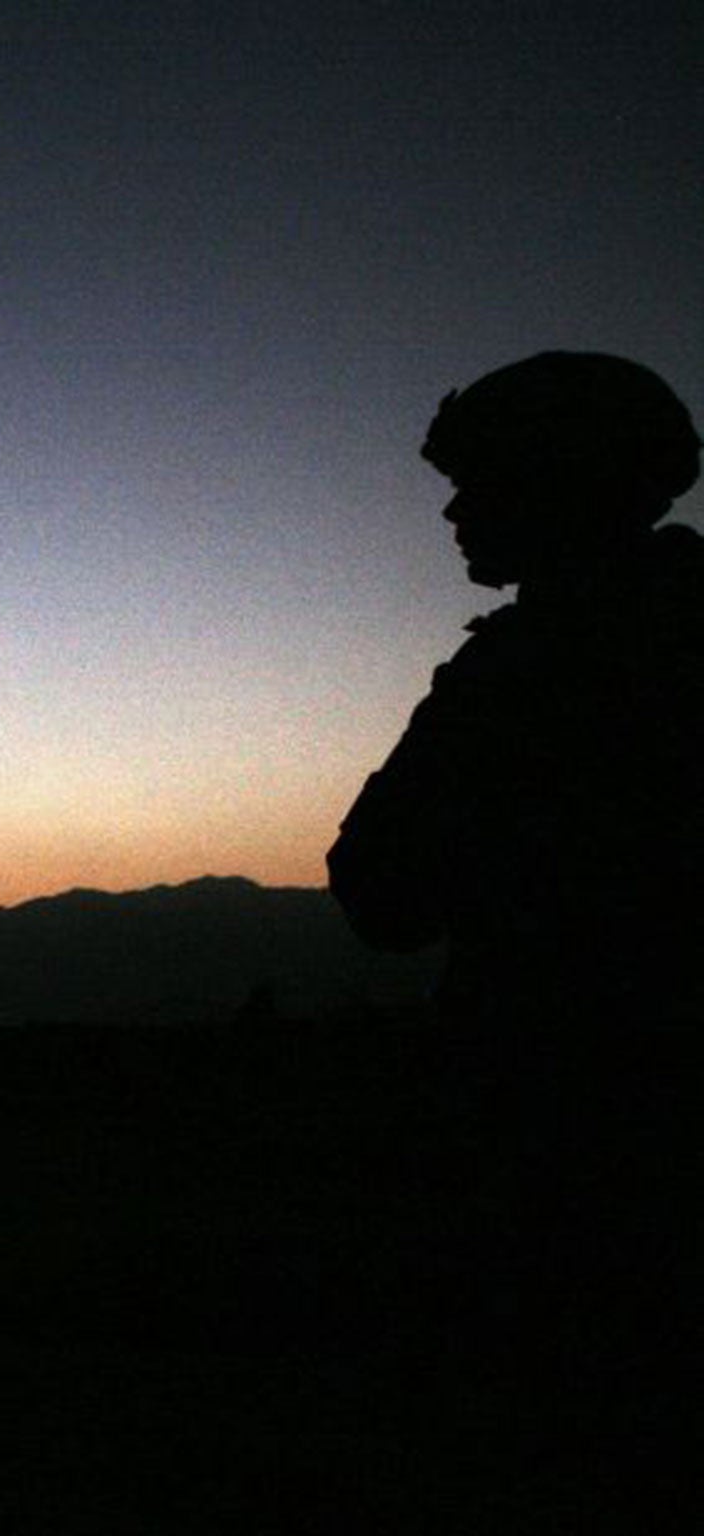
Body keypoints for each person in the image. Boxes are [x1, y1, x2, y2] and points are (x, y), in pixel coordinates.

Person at [327, 353, 703, 1492]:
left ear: (558, 482)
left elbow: (380, 890)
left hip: (561, 1164)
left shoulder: (526, 671)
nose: (452, 508)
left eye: (480, 480)